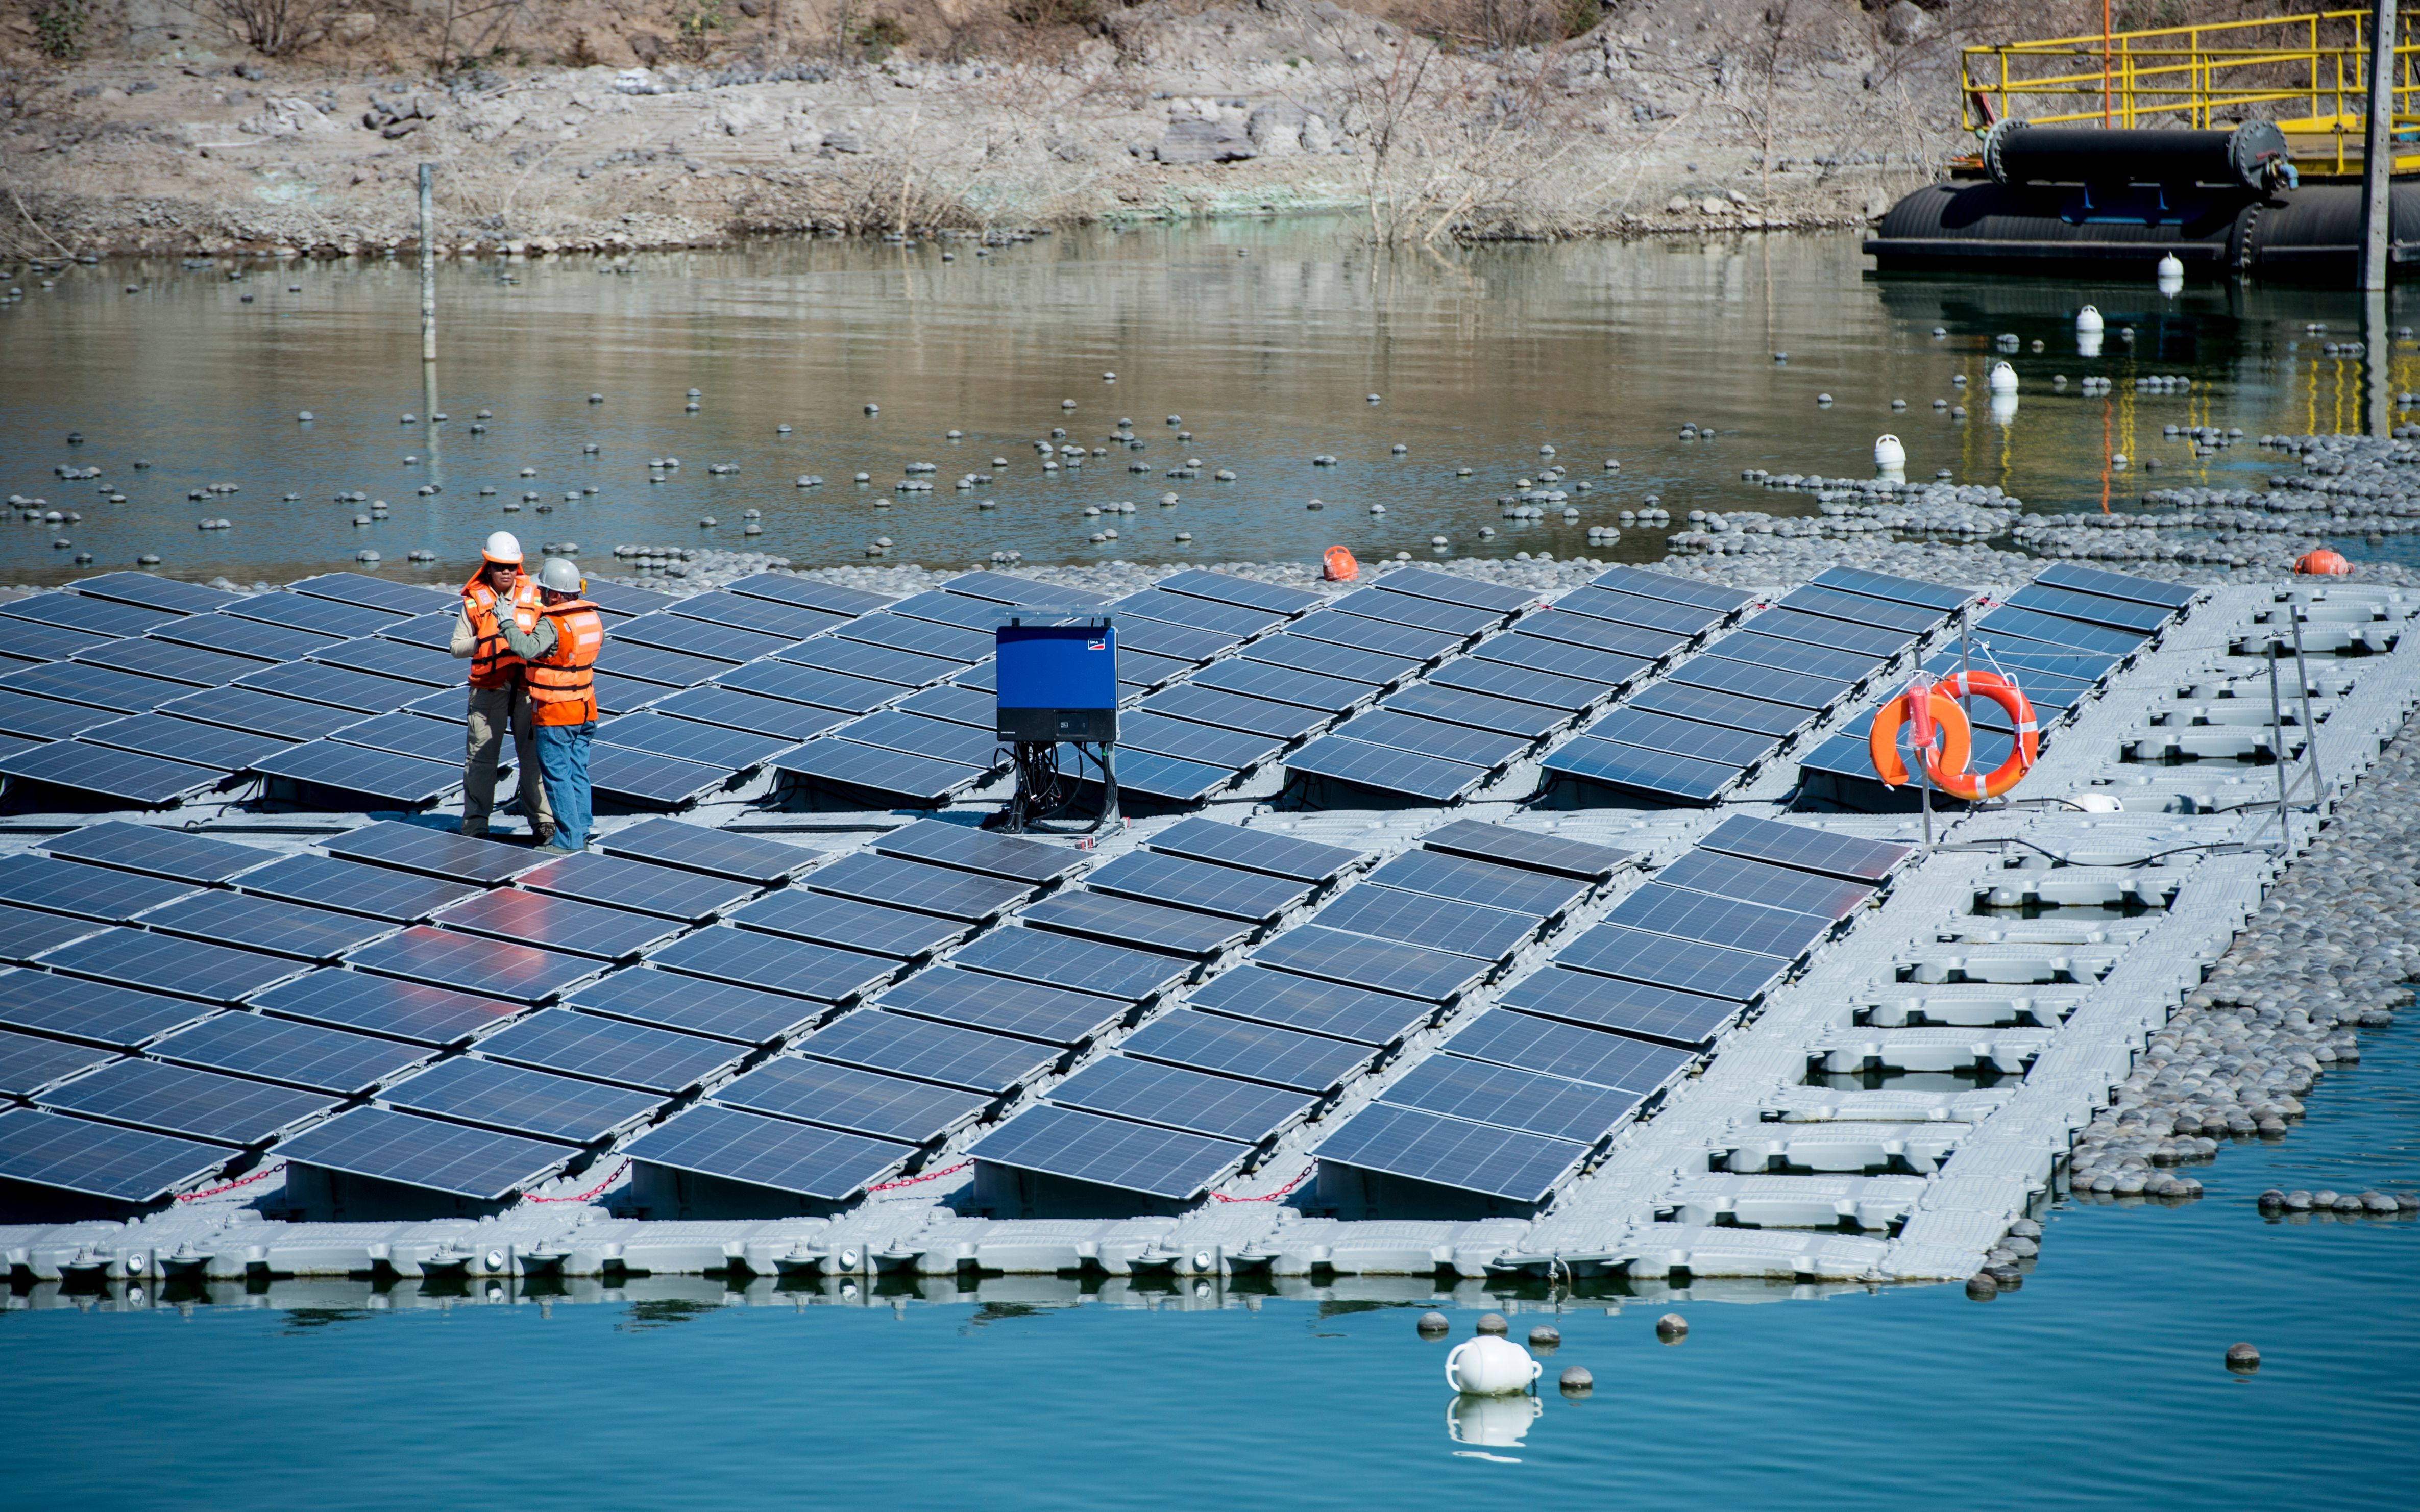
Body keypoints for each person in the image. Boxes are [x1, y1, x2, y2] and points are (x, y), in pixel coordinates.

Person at [449, 531, 554, 842]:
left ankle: (543, 823)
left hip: (526, 690)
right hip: (488, 690)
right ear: (488, 566)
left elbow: (550, 634)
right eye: (499, 566)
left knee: (534, 759)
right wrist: (485, 641)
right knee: (481, 761)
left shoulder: (535, 597)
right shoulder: (474, 603)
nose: (506, 572)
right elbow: (456, 647)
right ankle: (476, 825)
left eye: (511, 566)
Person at [498, 557, 605, 853]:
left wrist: (506, 622)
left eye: (544, 590)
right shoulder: (590, 618)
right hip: (586, 709)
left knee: (557, 778)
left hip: (557, 712)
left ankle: (568, 842)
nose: (541, 595)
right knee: (578, 772)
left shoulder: (553, 622)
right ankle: (582, 832)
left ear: (556, 595)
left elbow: (527, 648)